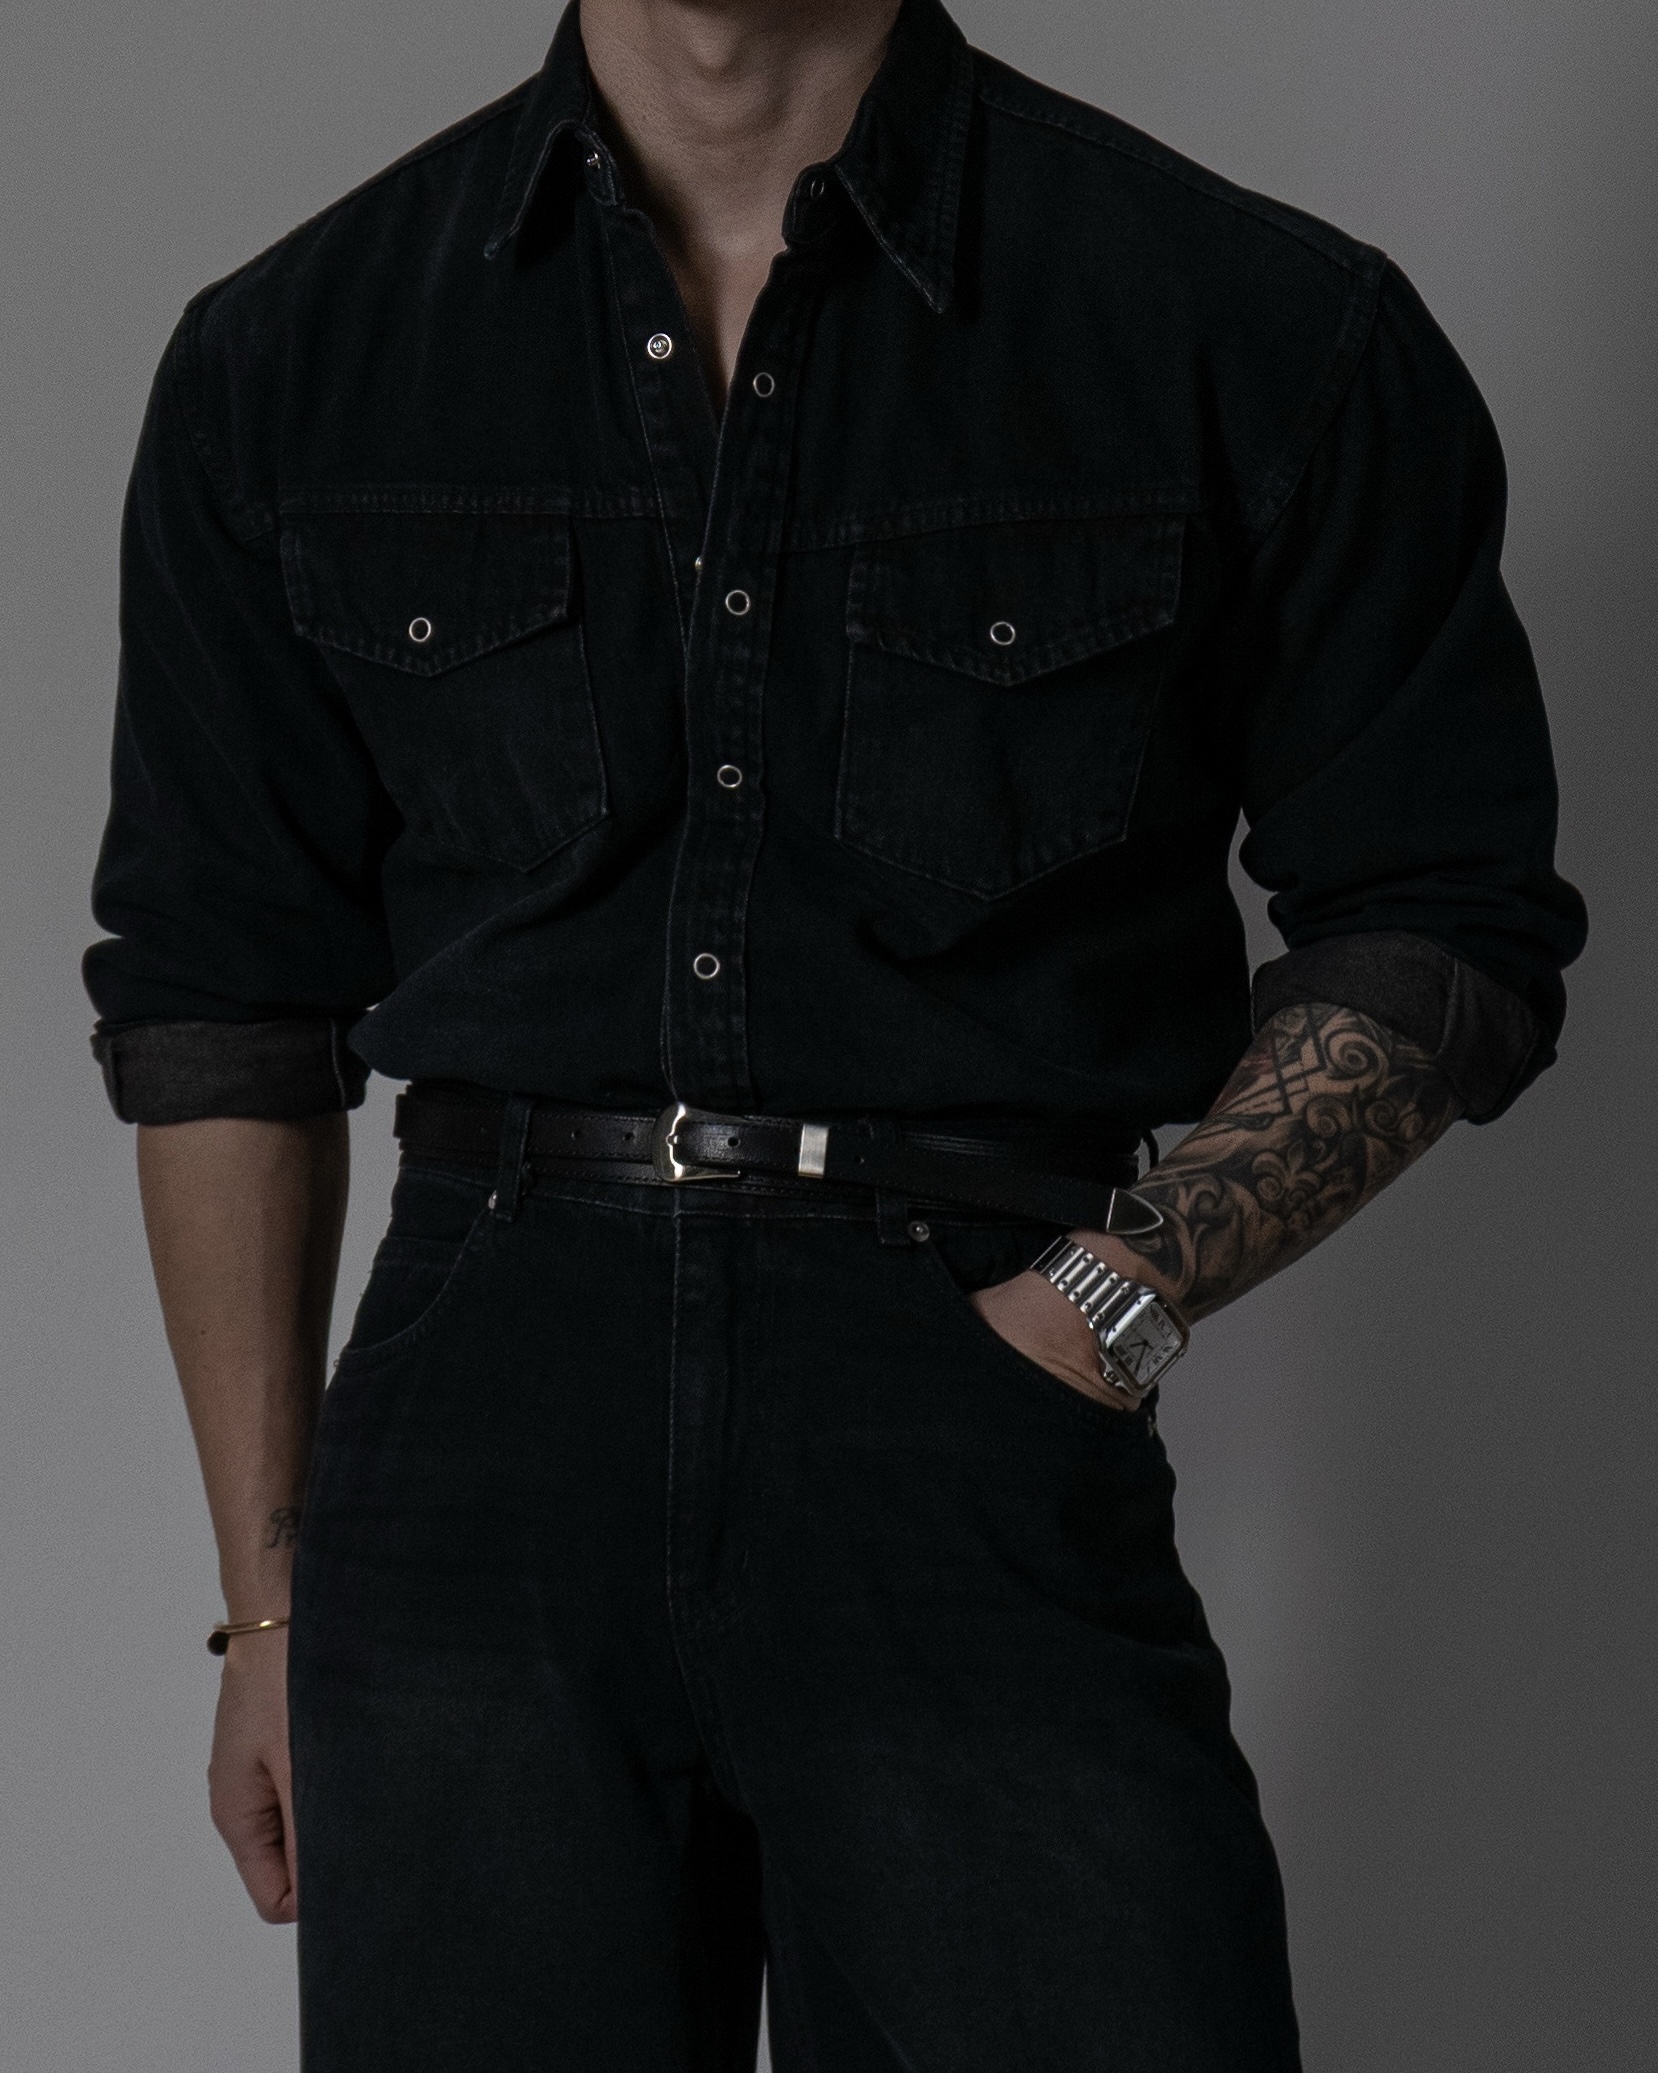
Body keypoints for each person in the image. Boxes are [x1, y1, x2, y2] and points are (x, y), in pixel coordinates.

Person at [85, 0, 1586, 2065]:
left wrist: (1107, 1304)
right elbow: (216, 1000)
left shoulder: (1244, 320)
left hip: (968, 1393)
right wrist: (267, 1604)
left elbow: (1440, 911)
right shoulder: (293, 351)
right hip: (479, 1425)